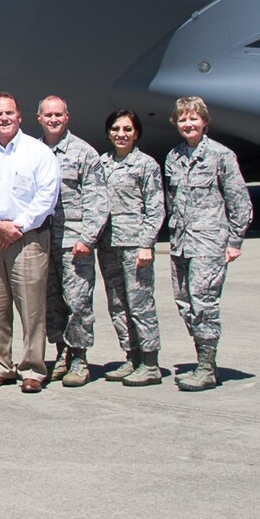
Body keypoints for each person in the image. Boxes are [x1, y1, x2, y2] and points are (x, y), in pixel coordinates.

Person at [0, 93, 61, 392]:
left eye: (9, 113)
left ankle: (32, 369)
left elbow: (47, 196)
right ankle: (1, 366)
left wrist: (16, 227)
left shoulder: (38, 152)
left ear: (19, 117)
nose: (3, 118)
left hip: (28, 239)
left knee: (31, 308)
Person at [163, 96, 253, 392]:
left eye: (193, 119)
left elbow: (239, 201)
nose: (188, 124)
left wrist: (235, 240)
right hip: (181, 243)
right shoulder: (173, 157)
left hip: (209, 242)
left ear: (204, 121)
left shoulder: (220, 156)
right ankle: (205, 358)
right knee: (185, 303)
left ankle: (205, 366)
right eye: (183, 119)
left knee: (204, 304)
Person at [39, 95, 109, 388]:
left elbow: (98, 199)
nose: (53, 119)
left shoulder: (84, 153)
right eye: (48, 115)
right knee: (51, 303)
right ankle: (62, 353)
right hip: (43, 242)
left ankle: (80, 358)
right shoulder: (35, 151)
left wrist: (88, 238)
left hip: (73, 242)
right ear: (38, 118)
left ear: (67, 117)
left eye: (58, 115)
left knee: (78, 302)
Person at [96, 109, 166, 386]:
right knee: (117, 304)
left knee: (141, 304)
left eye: (127, 129)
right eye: (115, 128)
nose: (121, 134)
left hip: (134, 244)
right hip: (108, 244)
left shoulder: (146, 165)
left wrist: (147, 243)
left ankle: (150, 362)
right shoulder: (102, 164)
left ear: (136, 133)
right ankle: (132, 355)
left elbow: (155, 208)